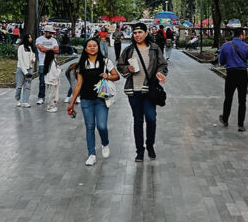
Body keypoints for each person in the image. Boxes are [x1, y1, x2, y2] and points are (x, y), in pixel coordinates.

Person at [116, 21, 168, 161]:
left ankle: (150, 145)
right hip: (133, 90)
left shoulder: (154, 48)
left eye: (140, 32)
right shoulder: (128, 50)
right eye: (135, 33)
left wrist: (160, 73)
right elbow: (120, 66)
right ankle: (140, 151)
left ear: (146, 33)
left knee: (151, 118)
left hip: (149, 91)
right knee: (138, 120)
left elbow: (162, 64)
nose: (137, 35)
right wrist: (128, 69)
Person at [67, 37, 120, 166]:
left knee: (102, 126)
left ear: (98, 47)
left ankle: (105, 142)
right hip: (86, 99)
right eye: (89, 46)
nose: (92, 48)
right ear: (85, 48)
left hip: (101, 99)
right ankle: (91, 154)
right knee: (89, 126)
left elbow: (116, 76)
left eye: (94, 45)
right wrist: (72, 102)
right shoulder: (81, 64)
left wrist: (108, 76)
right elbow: (78, 84)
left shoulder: (105, 61)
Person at [217, 27, 248, 131]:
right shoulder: (247, 47)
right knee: (242, 100)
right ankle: (240, 124)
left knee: (228, 98)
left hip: (231, 74)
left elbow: (221, 61)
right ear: (241, 35)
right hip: (242, 74)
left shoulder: (225, 46)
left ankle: (225, 119)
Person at [35, 24, 59, 104]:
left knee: (53, 80)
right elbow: (41, 49)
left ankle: (52, 96)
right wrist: (52, 49)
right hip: (43, 63)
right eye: (50, 33)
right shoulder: (39, 39)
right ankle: (41, 97)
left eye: (52, 33)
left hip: (52, 63)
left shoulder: (54, 40)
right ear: (45, 32)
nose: (51, 34)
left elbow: (57, 50)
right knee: (42, 81)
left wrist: (47, 49)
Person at [15, 33, 37, 107]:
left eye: (31, 37)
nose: (31, 39)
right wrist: (25, 72)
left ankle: (25, 101)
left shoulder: (32, 48)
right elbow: (20, 60)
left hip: (29, 68)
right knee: (19, 86)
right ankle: (17, 99)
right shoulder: (21, 47)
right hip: (21, 69)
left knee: (27, 86)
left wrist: (33, 60)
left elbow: (34, 56)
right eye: (29, 37)